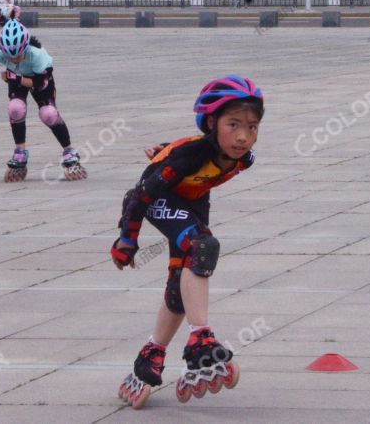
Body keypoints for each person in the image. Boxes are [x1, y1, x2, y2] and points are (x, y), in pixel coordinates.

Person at [112, 76, 263, 408]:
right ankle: (200, 341)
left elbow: (187, 147)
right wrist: (127, 238)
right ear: (212, 123)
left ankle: (150, 355)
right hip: (154, 199)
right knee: (203, 247)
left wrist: (164, 146)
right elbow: (142, 194)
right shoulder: (193, 155)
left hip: (191, 203)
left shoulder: (243, 158)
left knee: (182, 282)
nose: (243, 136)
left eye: (252, 127)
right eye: (233, 124)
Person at [0, 14, 87, 182]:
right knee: (15, 109)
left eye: (17, 56)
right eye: (9, 56)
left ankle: (69, 151)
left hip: (37, 79)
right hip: (16, 78)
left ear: (25, 47)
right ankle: (20, 152)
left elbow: (38, 84)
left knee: (48, 114)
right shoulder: (0, 52)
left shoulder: (38, 56)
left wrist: (15, 77)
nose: (13, 59)